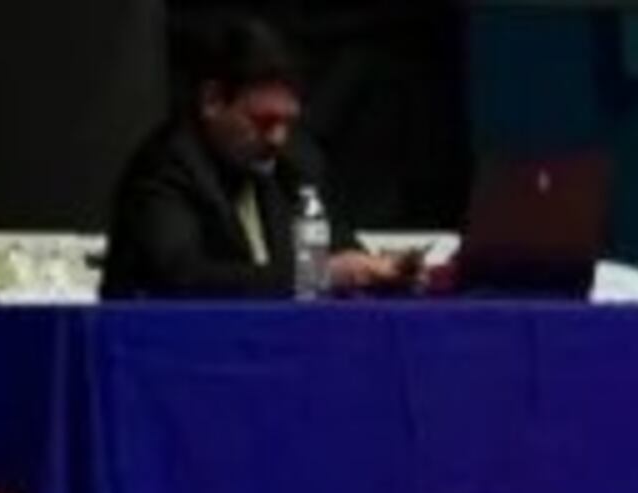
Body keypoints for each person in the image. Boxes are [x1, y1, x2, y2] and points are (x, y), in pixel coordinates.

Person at [102, 14, 414, 301]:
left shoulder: (296, 161)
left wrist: (381, 271)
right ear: (212, 101)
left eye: (288, 122)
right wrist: (318, 274)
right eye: (262, 122)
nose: (278, 138)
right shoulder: (167, 166)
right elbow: (182, 276)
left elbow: (338, 247)